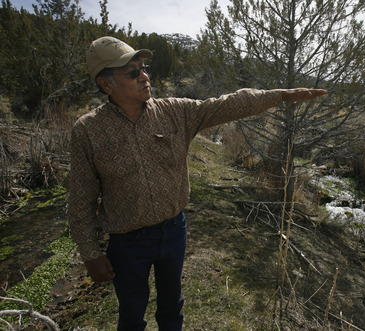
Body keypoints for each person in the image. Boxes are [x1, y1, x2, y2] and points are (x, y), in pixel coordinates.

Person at [68, 36, 326, 331]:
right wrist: (91, 254)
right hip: (127, 244)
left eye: (143, 68)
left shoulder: (175, 112)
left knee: (171, 309)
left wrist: (278, 95)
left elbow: (226, 105)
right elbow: (80, 201)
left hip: (173, 231)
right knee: (131, 315)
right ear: (106, 85)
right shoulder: (88, 131)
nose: (144, 76)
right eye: (132, 72)